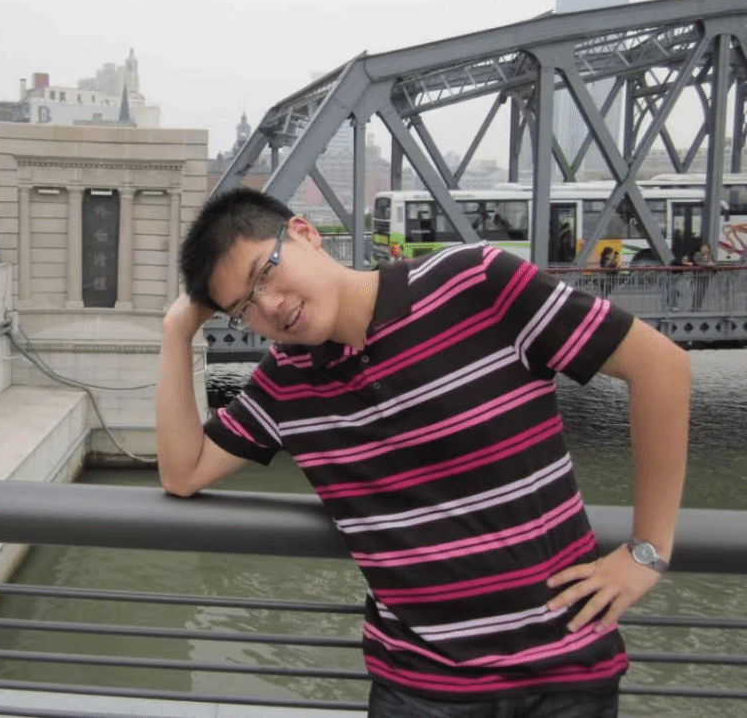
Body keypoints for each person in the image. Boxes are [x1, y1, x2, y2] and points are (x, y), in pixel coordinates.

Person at [156, 188, 690, 718]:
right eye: (244, 308)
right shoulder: (286, 383)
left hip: (566, 673)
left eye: (265, 273)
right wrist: (176, 330)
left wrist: (648, 548)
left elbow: (660, 365)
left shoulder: (476, 282)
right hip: (418, 687)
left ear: (305, 233)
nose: (269, 307)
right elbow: (183, 472)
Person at [683, 243, 716, 311]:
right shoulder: (697, 255)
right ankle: (694, 306)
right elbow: (697, 263)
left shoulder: (711, 256)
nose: (703, 249)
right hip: (698, 275)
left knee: (702, 291)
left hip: (706, 276)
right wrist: (707, 265)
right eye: (702, 248)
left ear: (708, 249)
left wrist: (712, 264)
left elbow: (715, 263)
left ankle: (699, 306)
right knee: (697, 291)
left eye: (705, 248)